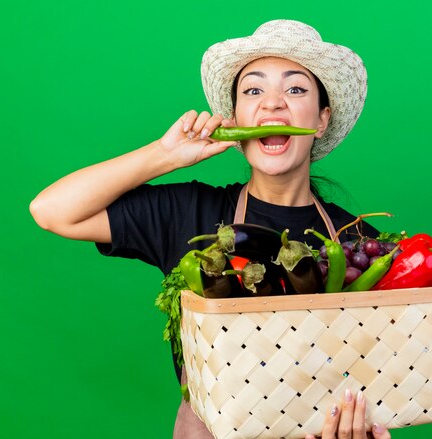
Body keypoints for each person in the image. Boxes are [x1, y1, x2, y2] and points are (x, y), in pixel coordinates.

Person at [30, 19, 392, 439]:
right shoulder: (191, 213)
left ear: (321, 119)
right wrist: (164, 155)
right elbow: (52, 210)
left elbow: (376, 377)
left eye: (295, 90)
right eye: (253, 91)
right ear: (236, 118)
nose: (272, 105)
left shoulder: (356, 243)